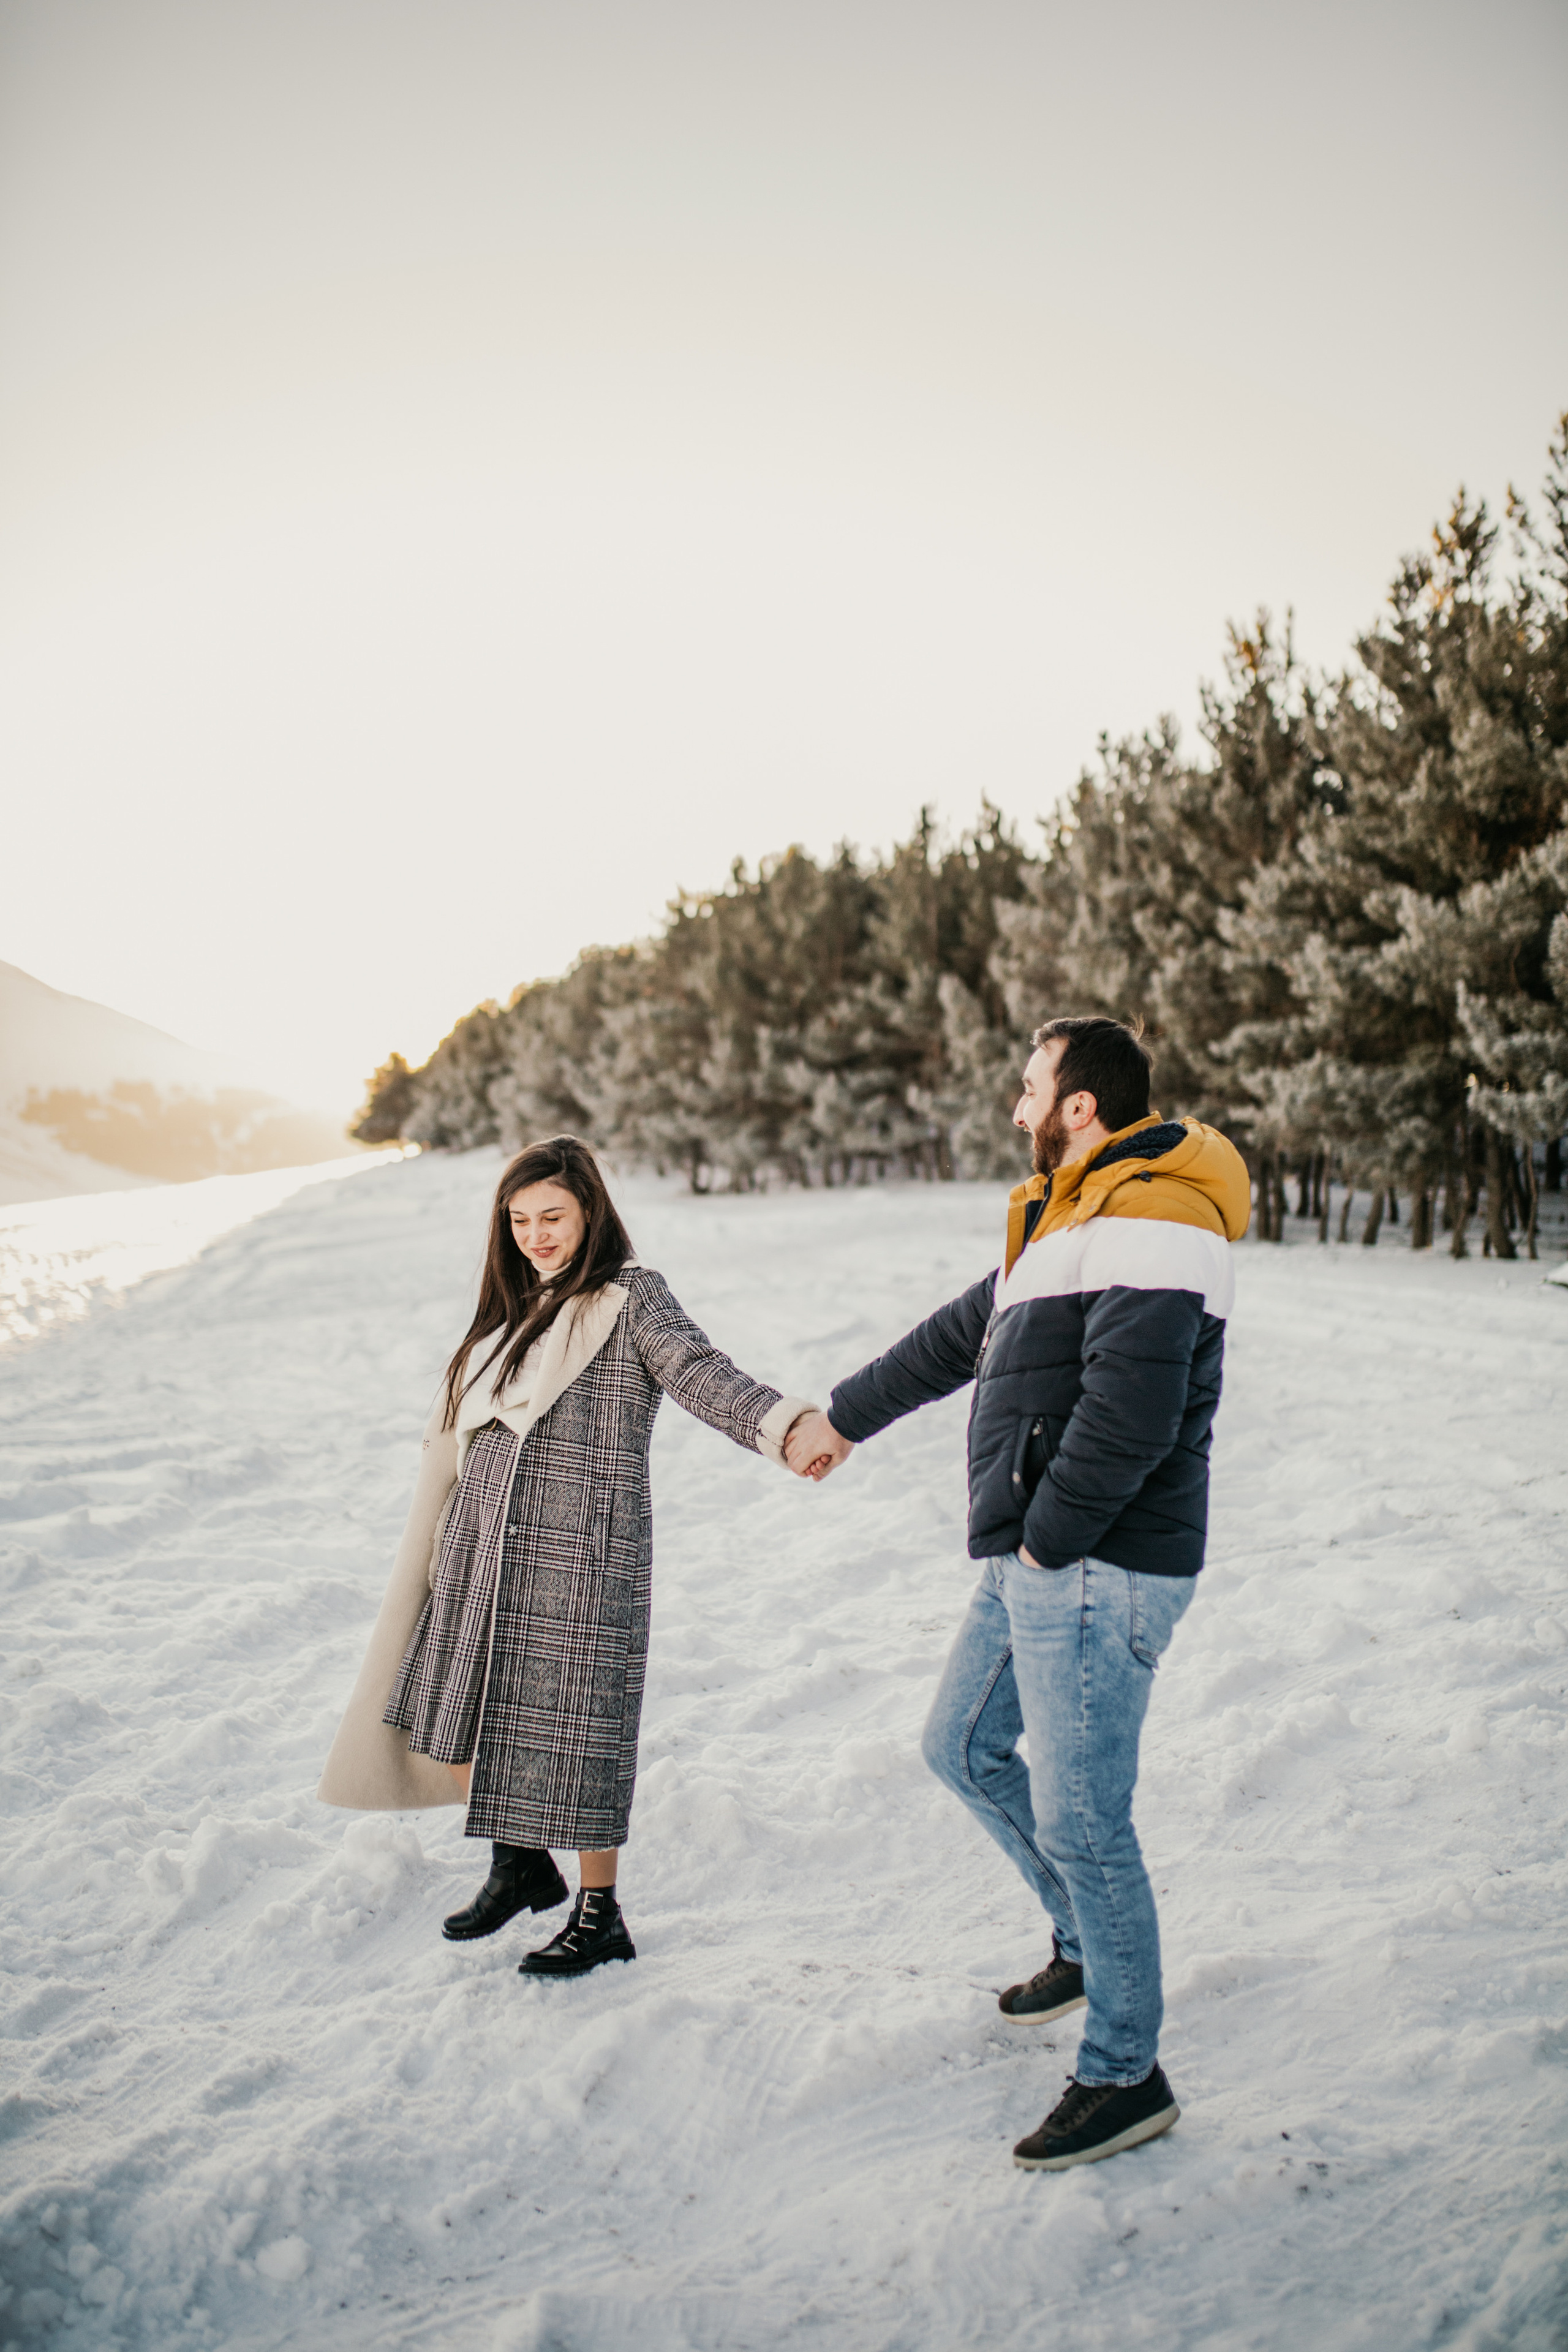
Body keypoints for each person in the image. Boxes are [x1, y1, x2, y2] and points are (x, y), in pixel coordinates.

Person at [786, 1016, 1250, 2169]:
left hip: (1095, 1564)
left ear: (1080, 1105)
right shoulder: (1072, 1214)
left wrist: (1046, 1545)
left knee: (1085, 1818)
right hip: (1042, 1559)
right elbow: (956, 1339)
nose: (1017, 1108)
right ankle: (1087, 1945)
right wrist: (838, 1420)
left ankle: (1126, 2074)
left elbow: (1133, 1415)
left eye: (1030, 1088)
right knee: (960, 1745)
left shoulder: (1158, 1213)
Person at [318, 1135, 812, 1977]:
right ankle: (519, 1865)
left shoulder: (632, 1297)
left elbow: (701, 1373)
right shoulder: (517, 1308)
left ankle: (600, 1914)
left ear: (590, 1211)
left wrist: (785, 1427)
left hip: (582, 1554)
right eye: (519, 1221)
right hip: (480, 1545)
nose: (536, 1236)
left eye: (552, 1217)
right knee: (467, 1710)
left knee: (582, 1739)